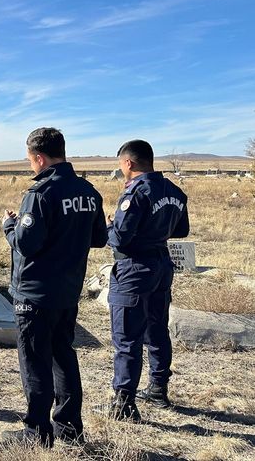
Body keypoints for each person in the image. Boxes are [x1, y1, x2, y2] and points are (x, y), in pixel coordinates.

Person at [1, 128, 107, 447]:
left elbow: (26, 243)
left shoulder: (41, 194)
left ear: (39, 157)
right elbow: (100, 238)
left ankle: (37, 433)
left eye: (30, 160)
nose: (31, 166)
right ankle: (69, 427)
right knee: (63, 356)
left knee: (35, 362)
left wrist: (10, 225)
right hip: (67, 292)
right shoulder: (88, 191)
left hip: (35, 294)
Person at [102, 140, 189, 421]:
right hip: (162, 265)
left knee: (127, 336)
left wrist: (110, 226)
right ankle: (158, 387)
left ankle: (124, 401)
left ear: (128, 163)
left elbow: (120, 237)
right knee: (157, 329)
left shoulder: (136, 193)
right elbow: (182, 230)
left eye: (121, 165)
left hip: (134, 269)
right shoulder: (174, 191)